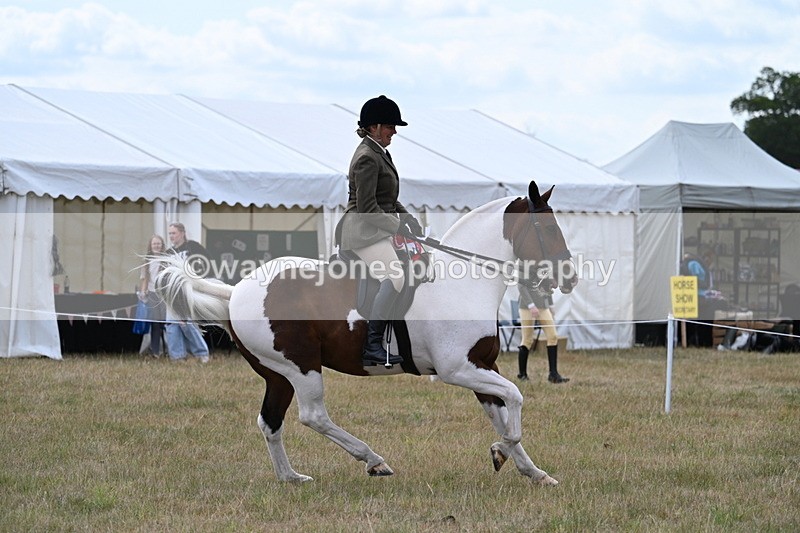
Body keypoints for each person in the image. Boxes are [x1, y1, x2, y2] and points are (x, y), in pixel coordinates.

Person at [339, 95, 423, 366]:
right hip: (362, 231)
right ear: (374, 127)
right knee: (395, 277)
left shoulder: (379, 152)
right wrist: (397, 225)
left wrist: (406, 216)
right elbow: (367, 207)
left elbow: (386, 199)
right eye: (390, 126)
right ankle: (372, 345)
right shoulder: (366, 157)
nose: (394, 132)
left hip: (377, 227)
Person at [165, 222, 211, 363]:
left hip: (188, 289)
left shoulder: (194, 247)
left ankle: (202, 353)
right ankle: (177, 356)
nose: (171, 236)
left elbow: (205, 264)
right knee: (171, 323)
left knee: (186, 322)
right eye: (170, 234)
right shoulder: (169, 252)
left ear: (182, 233)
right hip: (172, 291)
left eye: (174, 233)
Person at [517, 284, 569, 383]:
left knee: (552, 336)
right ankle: (522, 374)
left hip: (543, 306)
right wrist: (531, 305)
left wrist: (551, 305)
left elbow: (547, 287)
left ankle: (553, 374)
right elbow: (521, 286)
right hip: (526, 307)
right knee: (527, 340)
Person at [138, 234, 167, 357]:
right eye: (154, 243)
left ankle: (168, 349)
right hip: (152, 294)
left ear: (162, 245)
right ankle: (156, 351)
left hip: (164, 295)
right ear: (150, 245)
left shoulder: (167, 259)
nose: (156, 246)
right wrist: (143, 292)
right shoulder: (146, 260)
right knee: (155, 324)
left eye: (158, 243)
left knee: (165, 324)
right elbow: (144, 278)